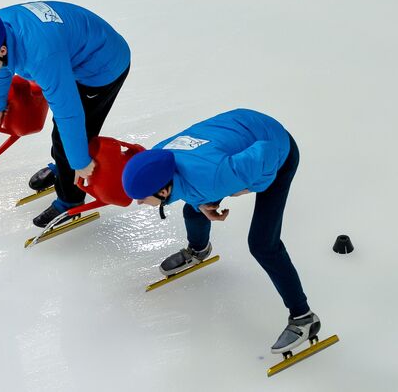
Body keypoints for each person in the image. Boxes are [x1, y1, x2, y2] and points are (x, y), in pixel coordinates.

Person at [122, 108, 320, 353]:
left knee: (262, 244)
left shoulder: (215, 177)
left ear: (163, 191)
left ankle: (304, 318)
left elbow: (266, 153)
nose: (140, 203)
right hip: (238, 129)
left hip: (277, 150)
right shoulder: (160, 156)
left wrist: (249, 186)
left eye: (141, 198)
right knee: (192, 210)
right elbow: (191, 182)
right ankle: (199, 250)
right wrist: (202, 203)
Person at [0, 1, 130, 227]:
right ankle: (63, 166)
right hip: (73, 56)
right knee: (65, 136)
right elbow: (0, 69)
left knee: (71, 133)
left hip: (102, 68)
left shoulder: (41, 55)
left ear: (1, 50)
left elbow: (69, 112)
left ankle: (70, 201)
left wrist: (79, 160)